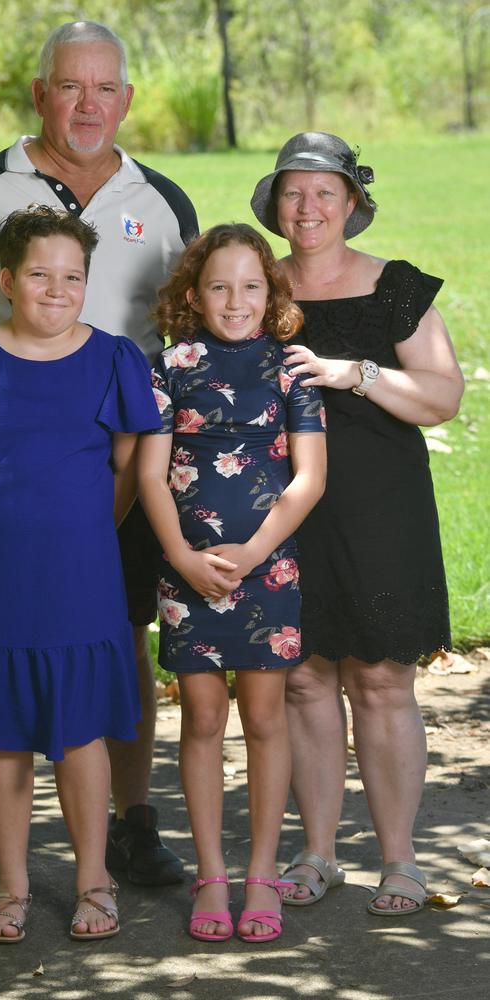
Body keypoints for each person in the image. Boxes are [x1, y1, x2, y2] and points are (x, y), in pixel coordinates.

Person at [0, 21, 198, 917]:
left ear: (127, 100)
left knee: (119, 641)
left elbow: (195, 313)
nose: (88, 104)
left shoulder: (161, 198)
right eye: (71, 87)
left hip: (117, 462)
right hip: (4, 461)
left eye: (105, 89)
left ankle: (130, 824)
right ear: (41, 93)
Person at [0, 205, 163, 942]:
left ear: (89, 281)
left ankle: (94, 881)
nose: (57, 289)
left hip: (80, 575)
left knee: (80, 733)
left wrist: (79, 535)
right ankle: (12, 889)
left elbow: (124, 472)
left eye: (73, 276)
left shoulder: (116, 359)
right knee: (1, 732)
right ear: (7, 280)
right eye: (41, 275)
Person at [250, 132, 464, 915]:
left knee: (380, 679)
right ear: (275, 202)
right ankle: (316, 854)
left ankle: (401, 861)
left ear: (352, 202)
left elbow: (442, 398)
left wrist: (358, 374)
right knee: (304, 681)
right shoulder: (253, 284)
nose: (307, 209)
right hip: (281, 507)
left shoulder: (395, 288)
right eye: (293, 193)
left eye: (324, 193)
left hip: (382, 508)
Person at [138, 223, 327, 942]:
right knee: (203, 721)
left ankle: (261, 874)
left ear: (272, 293)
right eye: (219, 286)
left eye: (251, 285)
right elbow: (151, 475)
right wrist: (183, 557)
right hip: (188, 571)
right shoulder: (171, 365)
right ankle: (212, 873)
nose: (235, 299)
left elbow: (309, 478)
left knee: (267, 720)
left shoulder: (290, 367)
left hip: (267, 569)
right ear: (193, 294)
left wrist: (252, 554)